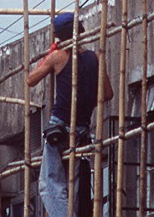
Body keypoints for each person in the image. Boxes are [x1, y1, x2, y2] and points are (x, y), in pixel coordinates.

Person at [27, 12, 114, 217]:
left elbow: (30, 80)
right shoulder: (94, 58)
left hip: (60, 128)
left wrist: (50, 55)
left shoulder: (58, 56)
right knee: (71, 186)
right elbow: (108, 94)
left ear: (60, 37)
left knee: (49, 184)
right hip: (82, 129)